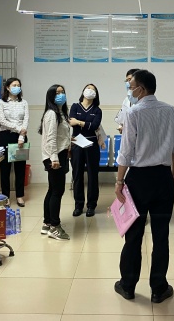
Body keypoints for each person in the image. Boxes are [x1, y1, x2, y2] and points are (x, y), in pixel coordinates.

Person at [114, 70, 174, 304]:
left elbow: (126, 152)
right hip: (163, 178)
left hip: (138, 179)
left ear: (141, 89)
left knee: (134, 234)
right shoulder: (171, 111)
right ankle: (159, 288)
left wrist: (119, 181)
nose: (129, 90)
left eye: (131, 86)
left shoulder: (133, 113)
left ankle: (127, 285)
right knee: (161, 235)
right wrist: (173, 175)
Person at [39, 84, 71, 241]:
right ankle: (55, 227)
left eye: (62, 92)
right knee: (57, 191)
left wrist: (69, 142)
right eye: (57, 93)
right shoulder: (52, 113)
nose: (61, 95)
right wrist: (54, 158)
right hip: (55, 156)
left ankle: (47, 223)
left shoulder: (60, 112)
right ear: (51, 96)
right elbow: (50, 138)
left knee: (52, 190)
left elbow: (59, 135)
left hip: (59, 154)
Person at [70, 83, 103, 217]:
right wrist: (83, 124)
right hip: (77, 142)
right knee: (77, 174)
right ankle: (78, 205)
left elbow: (94, 126)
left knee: (92, 175)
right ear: (83, 91)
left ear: (96, 94)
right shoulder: (75, 106)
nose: (90, 90)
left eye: (93, 89)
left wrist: (79, 122)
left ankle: (91, 205)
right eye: (88, 88)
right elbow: (71, 122)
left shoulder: (97, 110)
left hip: (92, 144)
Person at [0, 78, 29, 207]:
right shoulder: (1, 103)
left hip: (21, 136)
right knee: (5, 168)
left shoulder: (24, 102)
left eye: (18, 85)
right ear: (7, 88)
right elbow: (2, 121)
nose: (17, 87)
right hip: (6, 136)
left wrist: (21, 136)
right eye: (14, 85)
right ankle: (6, 196)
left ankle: (20, 196)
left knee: (20, 168)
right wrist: (18, 129)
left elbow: (26, 120)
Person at [114, 68, 139, 133]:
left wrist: (126, 128)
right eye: (127, 80)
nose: (128, 83)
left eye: (130, 80)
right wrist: (121, 126)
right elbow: (121, 118)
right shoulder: (126, 100)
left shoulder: (143, 100)